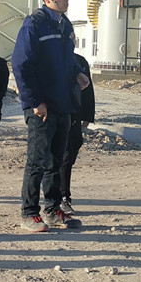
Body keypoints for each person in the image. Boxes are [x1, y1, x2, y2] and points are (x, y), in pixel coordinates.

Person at [12, 0, 90, 233]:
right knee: (37, 161)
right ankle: (29, 213)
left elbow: (66, 60)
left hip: (62, 104)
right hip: (41, 108)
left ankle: (53, 210)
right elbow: (21, 66)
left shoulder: (64, 25)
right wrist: (35, 102)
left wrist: (77, 73)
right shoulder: (34, 25)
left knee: (56, 161)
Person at [60, 50, 95, 214]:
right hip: (58, 112)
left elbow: (88, 89)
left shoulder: (80, 61)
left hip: (75, 112)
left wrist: (88, 115)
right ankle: (63, 197)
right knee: (65, 155)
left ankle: (56, 183)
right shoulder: (52, 56)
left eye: (73, 38)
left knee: (75, 145)